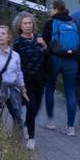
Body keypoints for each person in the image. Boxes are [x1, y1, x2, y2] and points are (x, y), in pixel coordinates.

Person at [42, 0, 80, 137]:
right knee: (70, 92)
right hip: (71, 61)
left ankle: (51, 121)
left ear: (57, 9)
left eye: (51, 8)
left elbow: (44, 42)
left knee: (50, 89)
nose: (49, 11)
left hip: (55, 60)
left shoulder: (50, 23)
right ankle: (70, 127)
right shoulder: (72, 22)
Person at [12, 12, 48, 150]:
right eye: (25, 23)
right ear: (20, 26)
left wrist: (44, 46)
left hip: (39, 80)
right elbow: (14, 63)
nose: (28, 26)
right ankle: (31, 138)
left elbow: (48, 57)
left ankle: (26, 124)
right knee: (31, 107)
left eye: (30, 23)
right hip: (25, 81)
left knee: (36, 109)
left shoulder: (38, 39)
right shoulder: (18, 43)